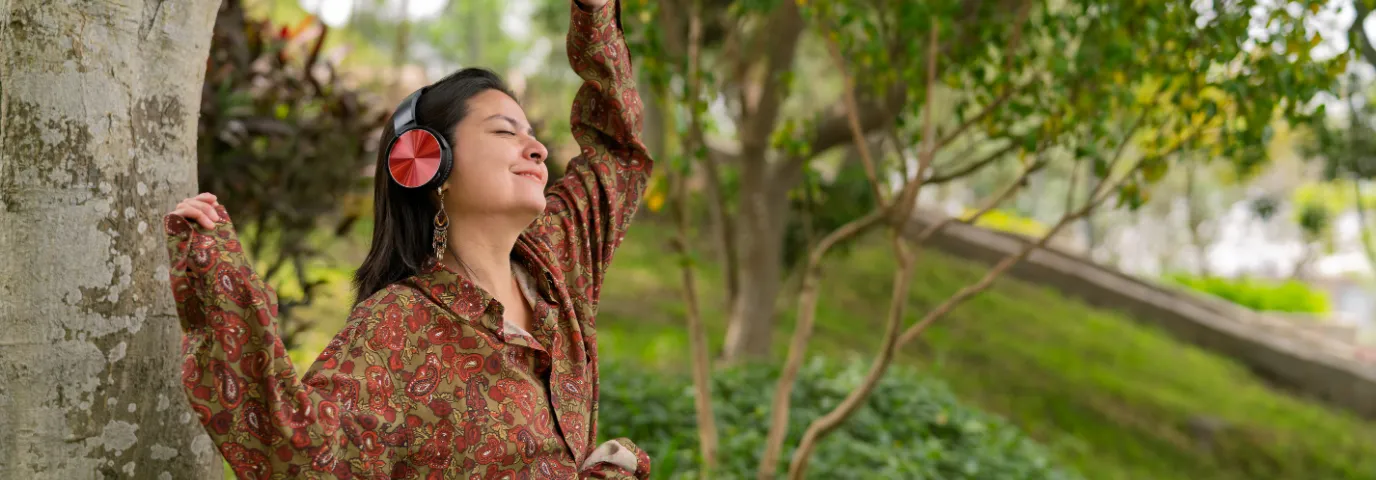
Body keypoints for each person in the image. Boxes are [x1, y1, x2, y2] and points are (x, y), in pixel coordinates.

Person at [163, 0, 652, 477]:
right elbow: (302, 456)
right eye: (505, 133)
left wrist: (596, 13)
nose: (538, 148)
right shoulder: (398, 325)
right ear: (426, 162)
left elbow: (617, 157)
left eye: (532, 135)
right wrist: (220, 279)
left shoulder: (555, 263)